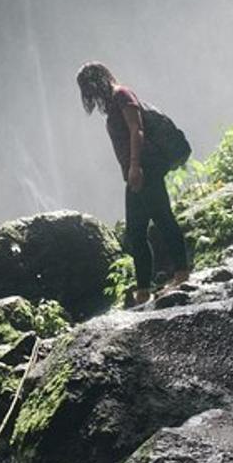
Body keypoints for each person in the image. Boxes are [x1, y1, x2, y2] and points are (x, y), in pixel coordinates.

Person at [76, 61, 190, 307]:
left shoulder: (122, 95)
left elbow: (136, 130)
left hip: (144, 168)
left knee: (162, 218)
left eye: (89, 88)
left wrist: (135, 165)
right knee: (136, 232)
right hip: (135, 173)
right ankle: (143, 290)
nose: (90, 95)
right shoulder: (112, 105)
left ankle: (181, 273)